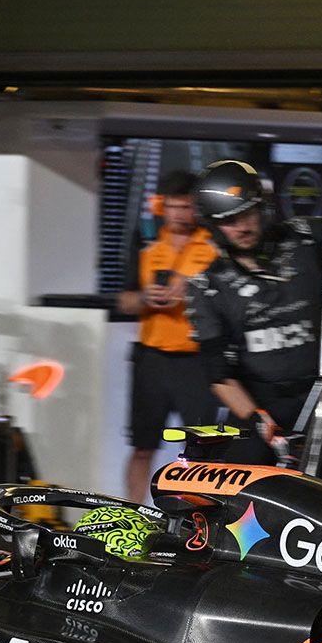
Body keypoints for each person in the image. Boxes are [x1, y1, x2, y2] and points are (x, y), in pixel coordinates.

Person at [186, 113, 322, 492]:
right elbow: (217, 373)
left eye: (247, 212)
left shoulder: (305, 238)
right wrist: (258, 421)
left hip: (319, 396)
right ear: (214, 227)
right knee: (241, 510)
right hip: (258, 409)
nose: (242, 226)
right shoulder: (208, 285)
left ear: (263, 206)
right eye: (229, 220)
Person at [117, 170, 220, 502]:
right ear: (162, 207)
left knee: (201, 452)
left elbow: (229, 298)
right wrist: (147, 298)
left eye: (186, 207)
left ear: (197, 208)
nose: (179, 214)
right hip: (152, 359)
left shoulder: (214, 247)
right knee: (142, 447)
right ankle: (130, 517)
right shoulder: (147, 248)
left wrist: (193, 291)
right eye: (173, 206)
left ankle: (196, 523)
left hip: (197, 361)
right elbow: (124, 300)